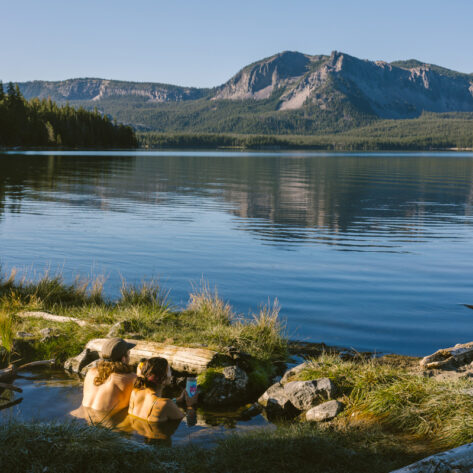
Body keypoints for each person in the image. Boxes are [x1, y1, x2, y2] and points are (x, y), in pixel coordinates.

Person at [128, 357, 197, 423]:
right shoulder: (167, 404)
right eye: (169, 370)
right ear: (163, 378)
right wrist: (190, 405)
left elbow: (157, 404)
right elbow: (186, 423)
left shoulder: (135, 393)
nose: (171, 373)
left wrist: (178, 399)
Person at [81, 337, 137, 414]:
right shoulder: (131, 378)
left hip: (80, 416)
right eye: (128, 353)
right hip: (106, 422)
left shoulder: (90, 372)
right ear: (123, 359)